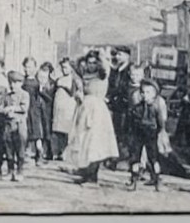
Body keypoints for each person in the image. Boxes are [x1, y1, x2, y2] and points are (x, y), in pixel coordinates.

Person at [67, 51, 120, 185]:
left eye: (94, 63)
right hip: (85, 108)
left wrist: (99, 55)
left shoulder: (102, 75)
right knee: (84, 141)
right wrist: (84, 57)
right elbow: (74, 63)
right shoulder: (85, 74)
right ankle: (86, 173)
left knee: (95, 143)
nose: (91, 65)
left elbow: (104, 66)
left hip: (97, 110)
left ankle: (93, 176)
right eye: (89, 63)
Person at [127, 77, 167, 191]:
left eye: (148, 92)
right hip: (138, 134)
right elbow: (131, 120)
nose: (145, 95)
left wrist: (160, 132)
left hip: (151, 134)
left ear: (155, 94)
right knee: (135, 157)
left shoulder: (156, 107)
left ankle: (157, 180)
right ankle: (133, 180)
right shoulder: (137, 107)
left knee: (153, 158)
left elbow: (161, 122)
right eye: (143, 92)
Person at [106, 46, 134, 165]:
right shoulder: (116, 70)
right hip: (116, 106)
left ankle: (124, 158)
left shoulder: (130, 70)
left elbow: (126, 87)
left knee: (124, 132)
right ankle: (115, 158)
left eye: (120, 54)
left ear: (127, 56)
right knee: (116, 131)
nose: (117, 57)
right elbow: (111, 86)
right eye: (116, 54)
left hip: (125, 106)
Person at [1, 68, 30, 182]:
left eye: (16, 83)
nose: (13, 85)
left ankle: (20, 171)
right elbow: (1, 107)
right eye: (11, 82)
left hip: (20, 125)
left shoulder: (24, 94)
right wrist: (3, 110)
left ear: (21, 83)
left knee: (20, 148)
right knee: (8, 148)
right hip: (8, 125)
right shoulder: (7, 96)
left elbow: (24, 107)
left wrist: (12, 108)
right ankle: (10, 171)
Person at [50, 57, 77, 161]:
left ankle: (64, 152)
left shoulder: (73, 79)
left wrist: (63, 85)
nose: (64, 70)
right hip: (59, 105)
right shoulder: (59, 78)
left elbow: (72, 92)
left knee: (65, 129)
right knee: (57, 128)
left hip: (68, 105)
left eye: (66, 67)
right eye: (62, 67)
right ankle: (55, 151)